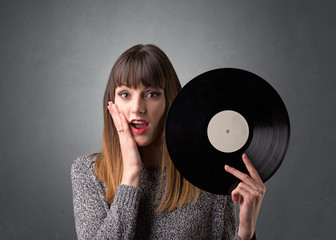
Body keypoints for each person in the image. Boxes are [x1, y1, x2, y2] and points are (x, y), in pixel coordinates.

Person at [71, 44, 265, 240]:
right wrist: (130, 175)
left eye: (151, 94)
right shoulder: (88, 173)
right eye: (125, 94)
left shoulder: (206, 177)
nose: (137, 107)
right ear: (111, 104)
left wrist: (245, 232)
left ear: (170, 102)